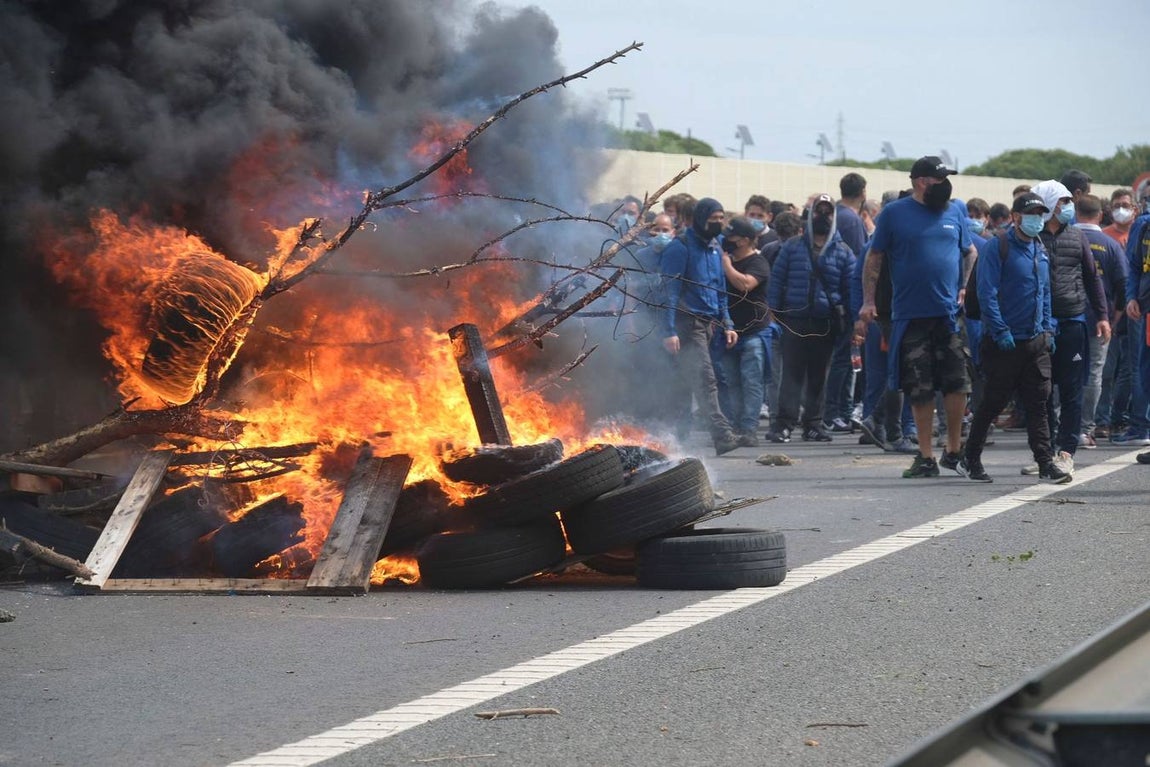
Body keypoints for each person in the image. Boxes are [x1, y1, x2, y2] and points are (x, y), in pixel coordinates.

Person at [857, 156, 976, 478]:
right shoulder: (895, 213)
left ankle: (953, 449)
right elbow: (875, 256)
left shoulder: (955, 211)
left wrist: (963, 287)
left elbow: (970, 251)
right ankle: (926, 456)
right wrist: (869, 301)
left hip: (949, 315)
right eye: (939, 178)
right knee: (919, 386)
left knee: (957, 383)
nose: (945, 184)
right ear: (920, 180)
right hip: (910, 315)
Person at [958, 193, 1067, 483]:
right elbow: (987, 293)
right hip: (1005, 343)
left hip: (1036, 342)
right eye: (1031, 214)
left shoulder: (1039, 248)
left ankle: (1045, 462)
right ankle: (970, 458)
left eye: (1040, 214)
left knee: (1038, 405)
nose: (1036, 219)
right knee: (993, 403)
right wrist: (1000, 330)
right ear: (1016, 217)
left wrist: (1047, 329)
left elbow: (1044, 294)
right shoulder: (999, 247)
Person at [1028, 179, 1110, 475]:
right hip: (1039, 326)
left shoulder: (1077, 237)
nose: (1068, 207)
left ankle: (1066, 450)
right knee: (1042, 389)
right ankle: (1045, 452)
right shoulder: (1032, 237)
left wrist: (1101, 315)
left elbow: (1092, 278)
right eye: (1062, 202)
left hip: (1073, 322)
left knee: (1072, 388)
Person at [766, 194, 855, 443]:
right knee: (791, 375)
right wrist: (773, 310)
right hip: (794, 321)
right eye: (818, 211)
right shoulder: (792, 247)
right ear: (810, 214)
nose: (822, 217)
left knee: (818, 376)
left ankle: (813, 424)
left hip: (825, 323)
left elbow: (850, 288)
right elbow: (777, 280)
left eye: (827, 212)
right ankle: (784, 424)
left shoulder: (843, 251)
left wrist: (852, 321)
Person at [660, 197, 741, 455]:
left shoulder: (715, 249)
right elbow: (669, 292)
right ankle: (722, 435)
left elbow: (719, 290)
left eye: (721, 218)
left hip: (709, 325)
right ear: (700, 219)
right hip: (686, 324)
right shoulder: (680, 247)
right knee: (706, 379)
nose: (718, 224)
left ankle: (672, 438)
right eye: (713, 219)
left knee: (685, 383)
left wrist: (727, 322)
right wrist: (669, 330)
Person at [1075, 194, 1127, 448]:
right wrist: (1112, 319)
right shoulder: (1111, 245)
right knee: (1094, 375)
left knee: (1064, 374)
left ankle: (1063, 427)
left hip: (1066, 320)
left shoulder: (1063, 240)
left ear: (1076, 213)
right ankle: (1086, 428)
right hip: (1100, 321)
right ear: (1100, 215)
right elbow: (1123, 287)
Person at [718, 215, 772, 446]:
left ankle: (749, 429)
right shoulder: (723, 258)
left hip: (754, 332)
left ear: (745, 240)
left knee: (751, 382)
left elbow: (745, 284)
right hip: (729, 332)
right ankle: (736, 426)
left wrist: (726, 265)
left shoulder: (757, 262)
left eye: (732, 236)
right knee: (731, 382)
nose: (727, 240)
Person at [823, 172, 869, 433]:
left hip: (831, 298)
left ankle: (834, 411)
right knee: (844, 360)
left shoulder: (836, 215)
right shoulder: (852, 221)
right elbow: (861, 264)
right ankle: (837, 412)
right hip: (847, 299)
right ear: (863, 192)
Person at [1120, 195, 1150, 455]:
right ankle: (1143, 426)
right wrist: (1131, 297)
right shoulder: (1143, 226)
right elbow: (1134, 266)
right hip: (1147, 310)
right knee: (1145, 372)